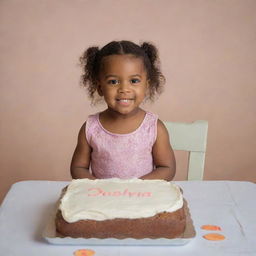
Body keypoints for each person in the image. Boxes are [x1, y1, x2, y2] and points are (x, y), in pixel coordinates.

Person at [71, 40, 176, 181]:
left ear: (146, 86)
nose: (124, 89)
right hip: (104, 199)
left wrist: (137, 186)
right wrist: (97, 187)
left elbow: (167, 168)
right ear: (100, 88)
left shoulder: (153, 127)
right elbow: (78, 168)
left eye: (134, 81)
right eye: (113, 82)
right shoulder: (91, 128)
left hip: (142, 198)